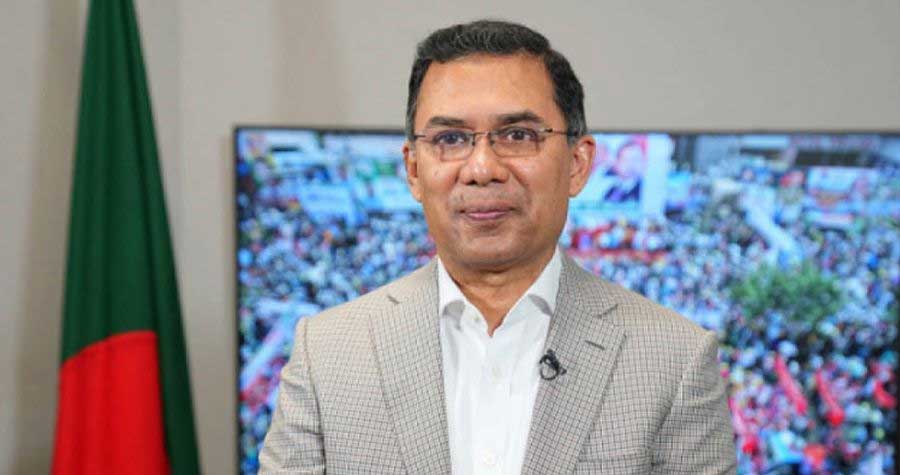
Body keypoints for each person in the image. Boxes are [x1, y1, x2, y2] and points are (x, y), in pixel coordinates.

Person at [260, 19, 737, 474]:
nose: (482, 168)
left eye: (517, 135)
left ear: (577, 163)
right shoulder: (326, 353)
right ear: (413, 169)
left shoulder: (675, 359)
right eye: (451, 138)